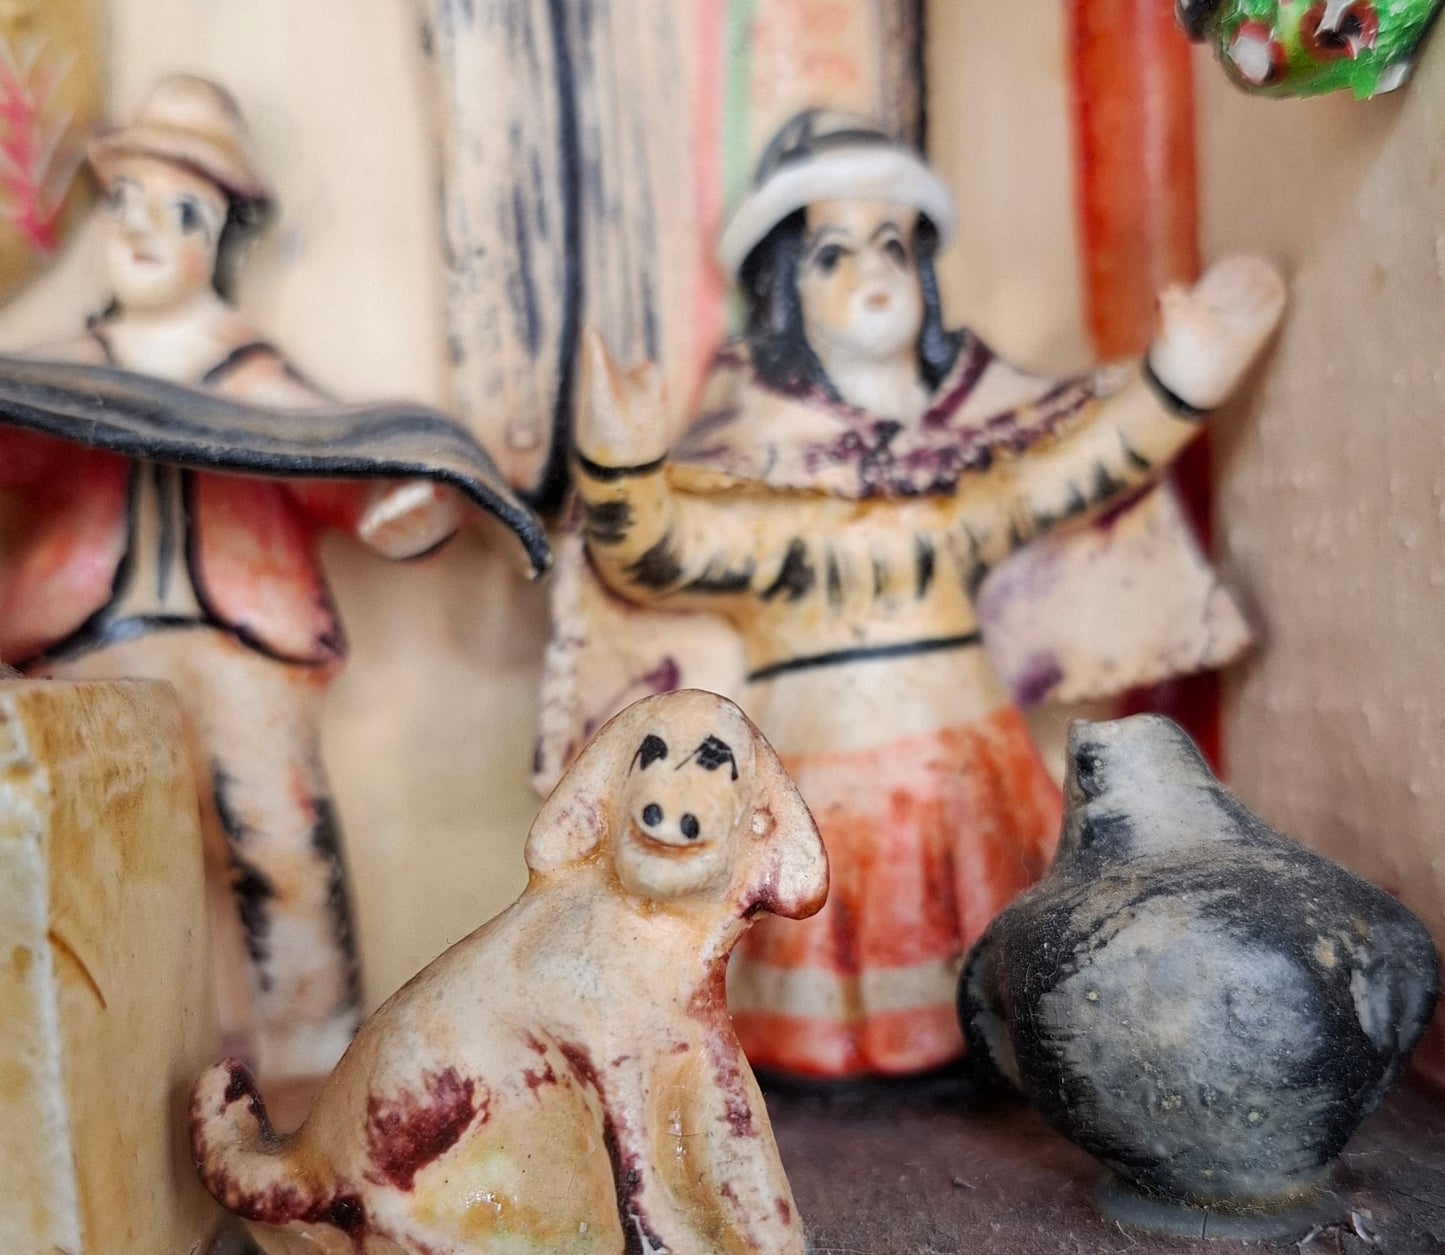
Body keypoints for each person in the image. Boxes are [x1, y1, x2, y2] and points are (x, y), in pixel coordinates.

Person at [561, 109, 1286, 1080]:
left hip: (967, 762)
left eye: (890, 244)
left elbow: (1064, 474)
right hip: (818, 776)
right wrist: (621, 467)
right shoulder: (749, 483)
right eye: (829, 253)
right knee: (824, 996)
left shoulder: (956, 475)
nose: (869, 268)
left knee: (1009, 986)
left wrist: (1176, 386)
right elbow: (651, 553)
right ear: (783, 292)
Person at [0, 76, 547, 1080]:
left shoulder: (252, 379)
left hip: (237, 649)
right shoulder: (57, 376)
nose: (146, 230)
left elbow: (336, 473)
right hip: (79, 651)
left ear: (223, 234)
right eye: (128, 202)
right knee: (84, 862)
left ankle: (312, 1063)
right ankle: (103, 1083)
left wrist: (404, 505)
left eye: (181, 211)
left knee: (278, 846)